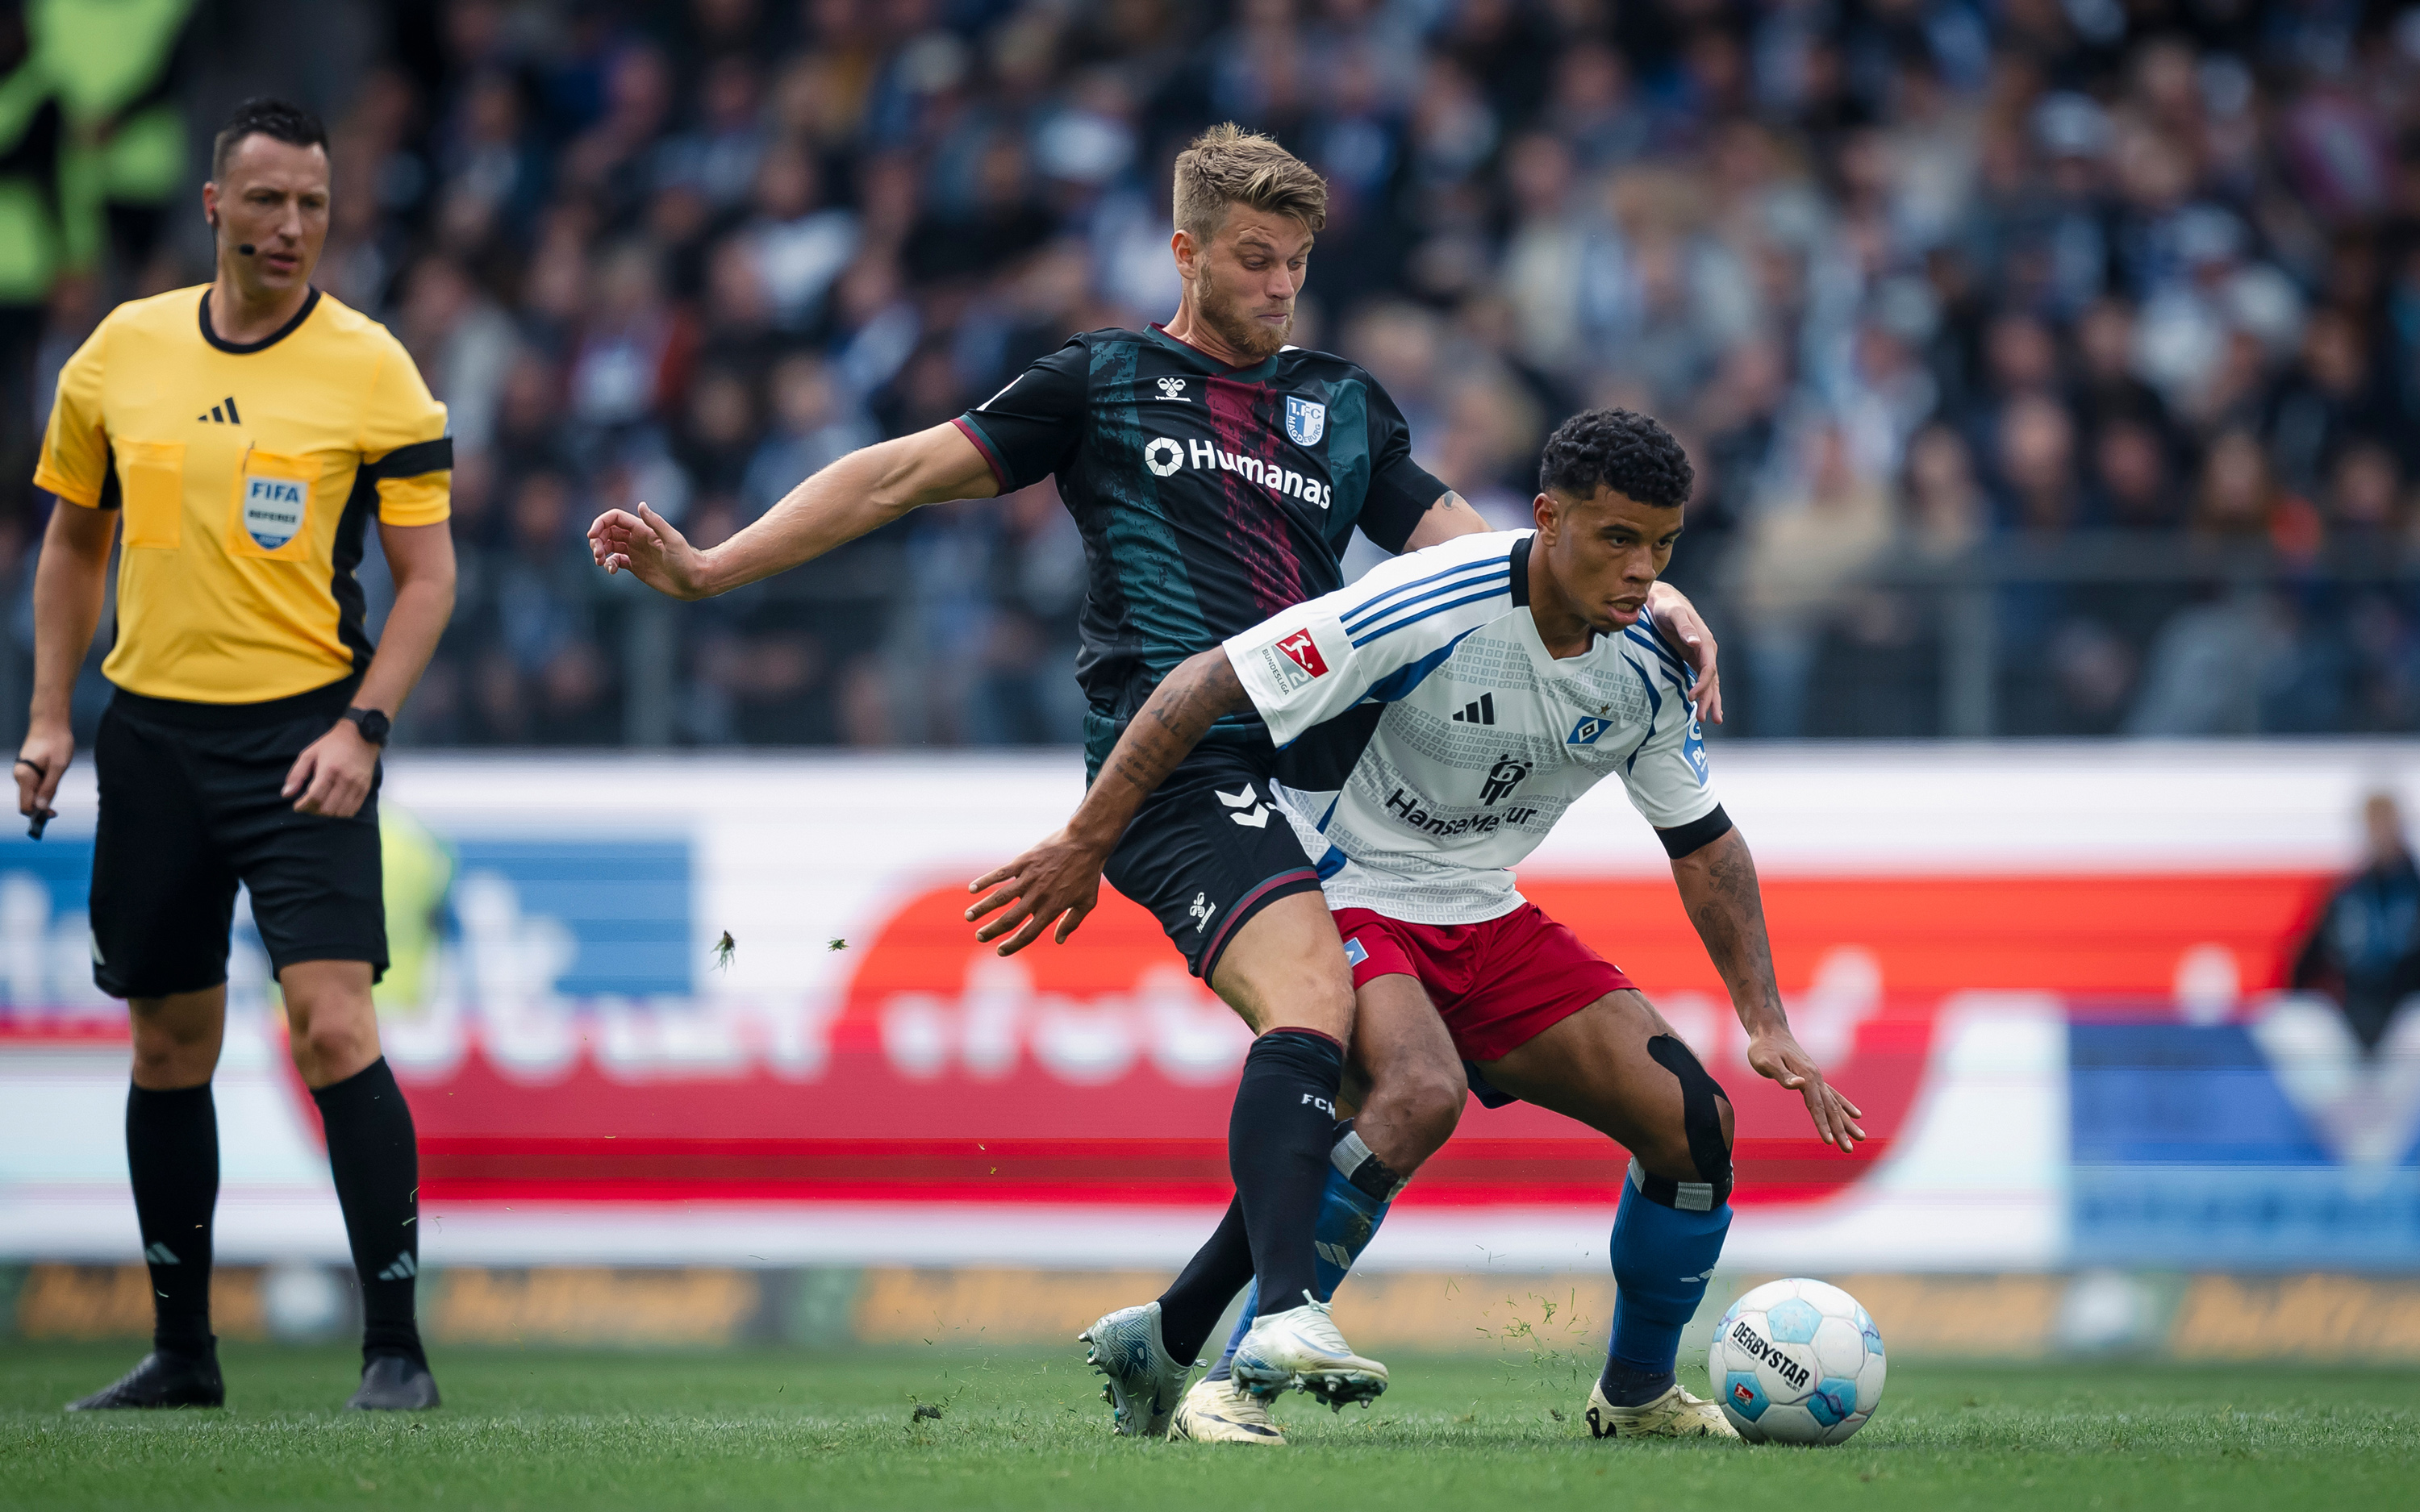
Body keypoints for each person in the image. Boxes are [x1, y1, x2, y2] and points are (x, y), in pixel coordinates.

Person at [591, 125, 1725, 1429]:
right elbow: (900, 472)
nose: (1279, 286)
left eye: (1297, 263)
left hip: (1319, 786)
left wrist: (1657, 598)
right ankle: (1285, 1318)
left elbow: (1480, 550)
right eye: (1253, 260)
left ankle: (1171, 1336)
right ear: (1184, 251)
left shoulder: (1343, 409)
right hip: (1173, 767)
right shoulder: (1104, 381)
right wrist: (716, 566)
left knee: (1400, 1087)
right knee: (1317, 1004)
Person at [971, 408, 1861, 1444]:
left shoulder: (1653, 665)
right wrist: (1086, 839)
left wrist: (1765, 1021)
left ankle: (1636, 1397)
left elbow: (1704, 844)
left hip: (1480, 906)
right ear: (1549, 519)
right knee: (1416, 1093)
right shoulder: (1427, 601)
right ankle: (1233, 1386)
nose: (1640, 571)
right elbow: (1208, 679)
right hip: (1337, 879)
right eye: (1617, 539)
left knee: (1694, 1126)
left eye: (1662, 547)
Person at [18, 98, 457, 1412]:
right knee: (167, 1047)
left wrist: (362, 729)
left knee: (332, 1028)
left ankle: (397, 1350)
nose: (291, 227)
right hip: (148, 739)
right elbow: (71, 546)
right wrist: (48, 719)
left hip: (302, 740)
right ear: (215, 207)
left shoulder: (374, 369)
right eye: (266, 201)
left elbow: (429, 579)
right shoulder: (119, 355)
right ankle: (182, 1354)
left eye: (314, 205)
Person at [2293, 792, 2420, 1054]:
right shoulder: (2347, 894)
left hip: (2406, 1020)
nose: (2381, 834)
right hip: (2354, 1016)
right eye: (2374, 825)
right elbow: (2306, 963)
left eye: (2387, 824)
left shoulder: (2414, 890)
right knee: (2295, 1023)